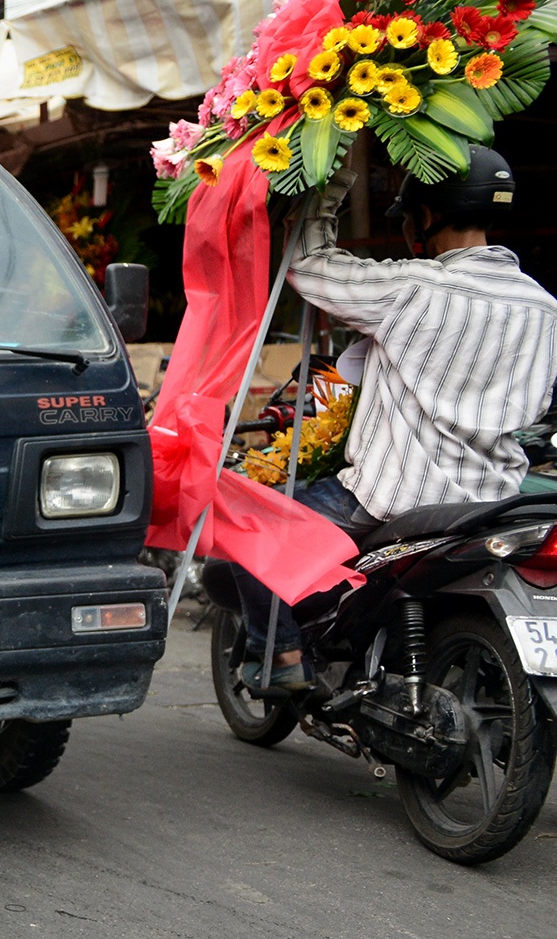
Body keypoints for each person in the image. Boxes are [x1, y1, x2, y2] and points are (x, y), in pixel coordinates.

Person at [232, 148, 557, 688]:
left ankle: (283, 659)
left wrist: (327, 172)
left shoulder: (414, 288)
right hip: (494, 501)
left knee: (250, 525)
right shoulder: (544, 307)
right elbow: (540, 405)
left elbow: (310, 266)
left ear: (425, 217)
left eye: (410, 217)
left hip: (392, 498)